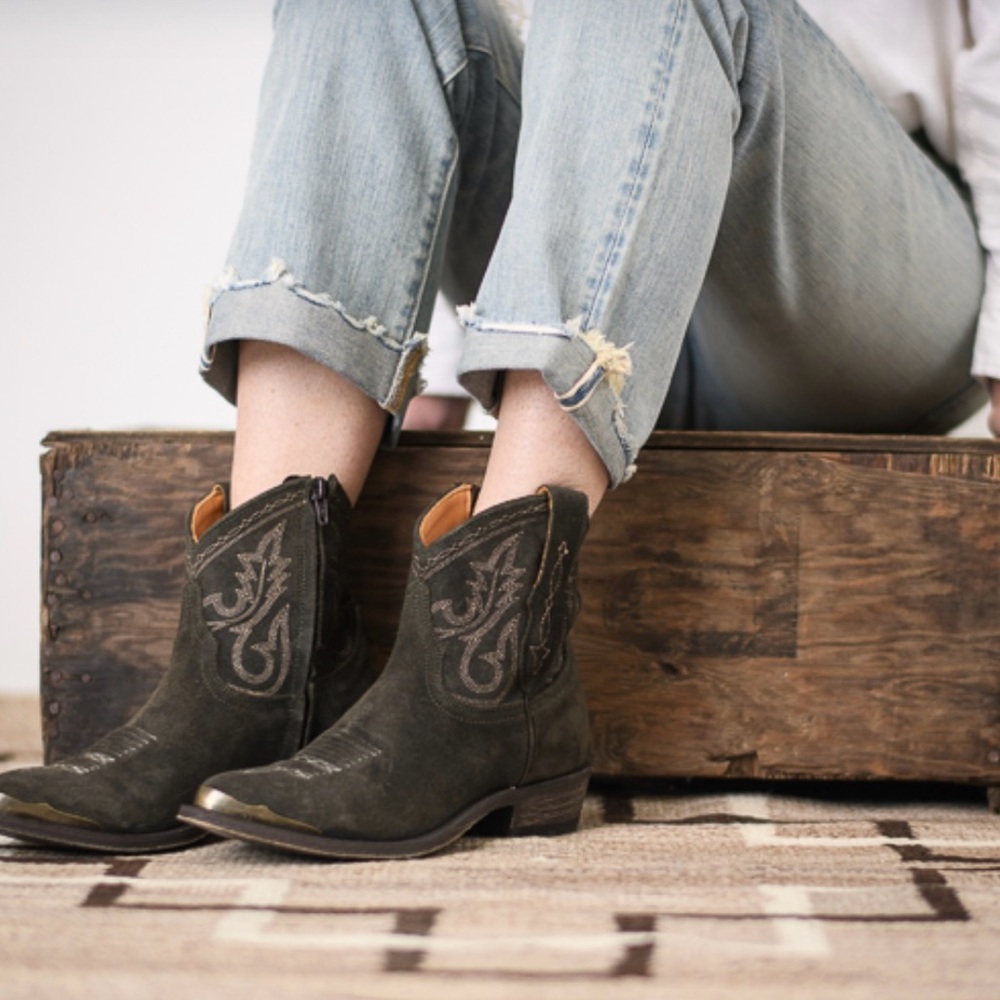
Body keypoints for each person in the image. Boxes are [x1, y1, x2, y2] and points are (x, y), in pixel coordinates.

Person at [0, 0, 996, 859]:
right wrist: (410, 368)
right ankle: (251, 679)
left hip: (858, 301)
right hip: (627, 274)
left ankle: (488, 687)